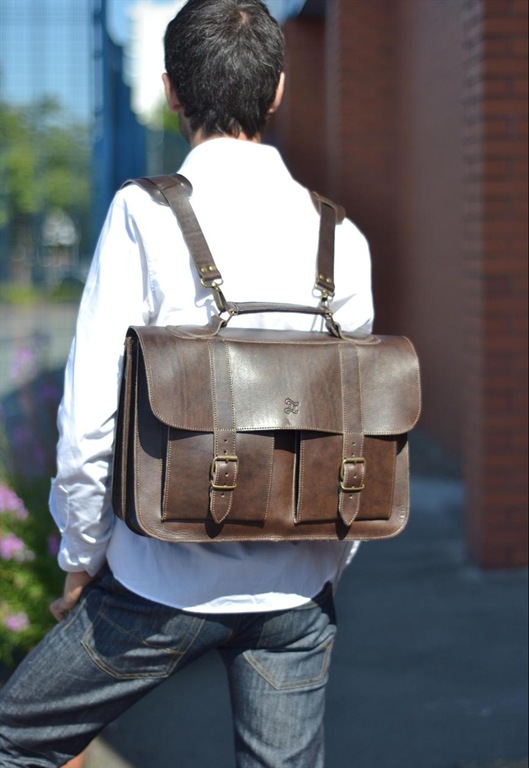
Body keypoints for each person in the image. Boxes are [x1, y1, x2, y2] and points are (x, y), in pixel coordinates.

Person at [0, 1, 373, 766]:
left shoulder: (144, 213)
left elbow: (91, 418)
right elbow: (358, 431)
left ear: (170, 90)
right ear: (275, 92)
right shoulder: (342, 235)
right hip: (299, 589)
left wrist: (80, 558)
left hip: (159, 579)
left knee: (16, 740)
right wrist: (320, 561)